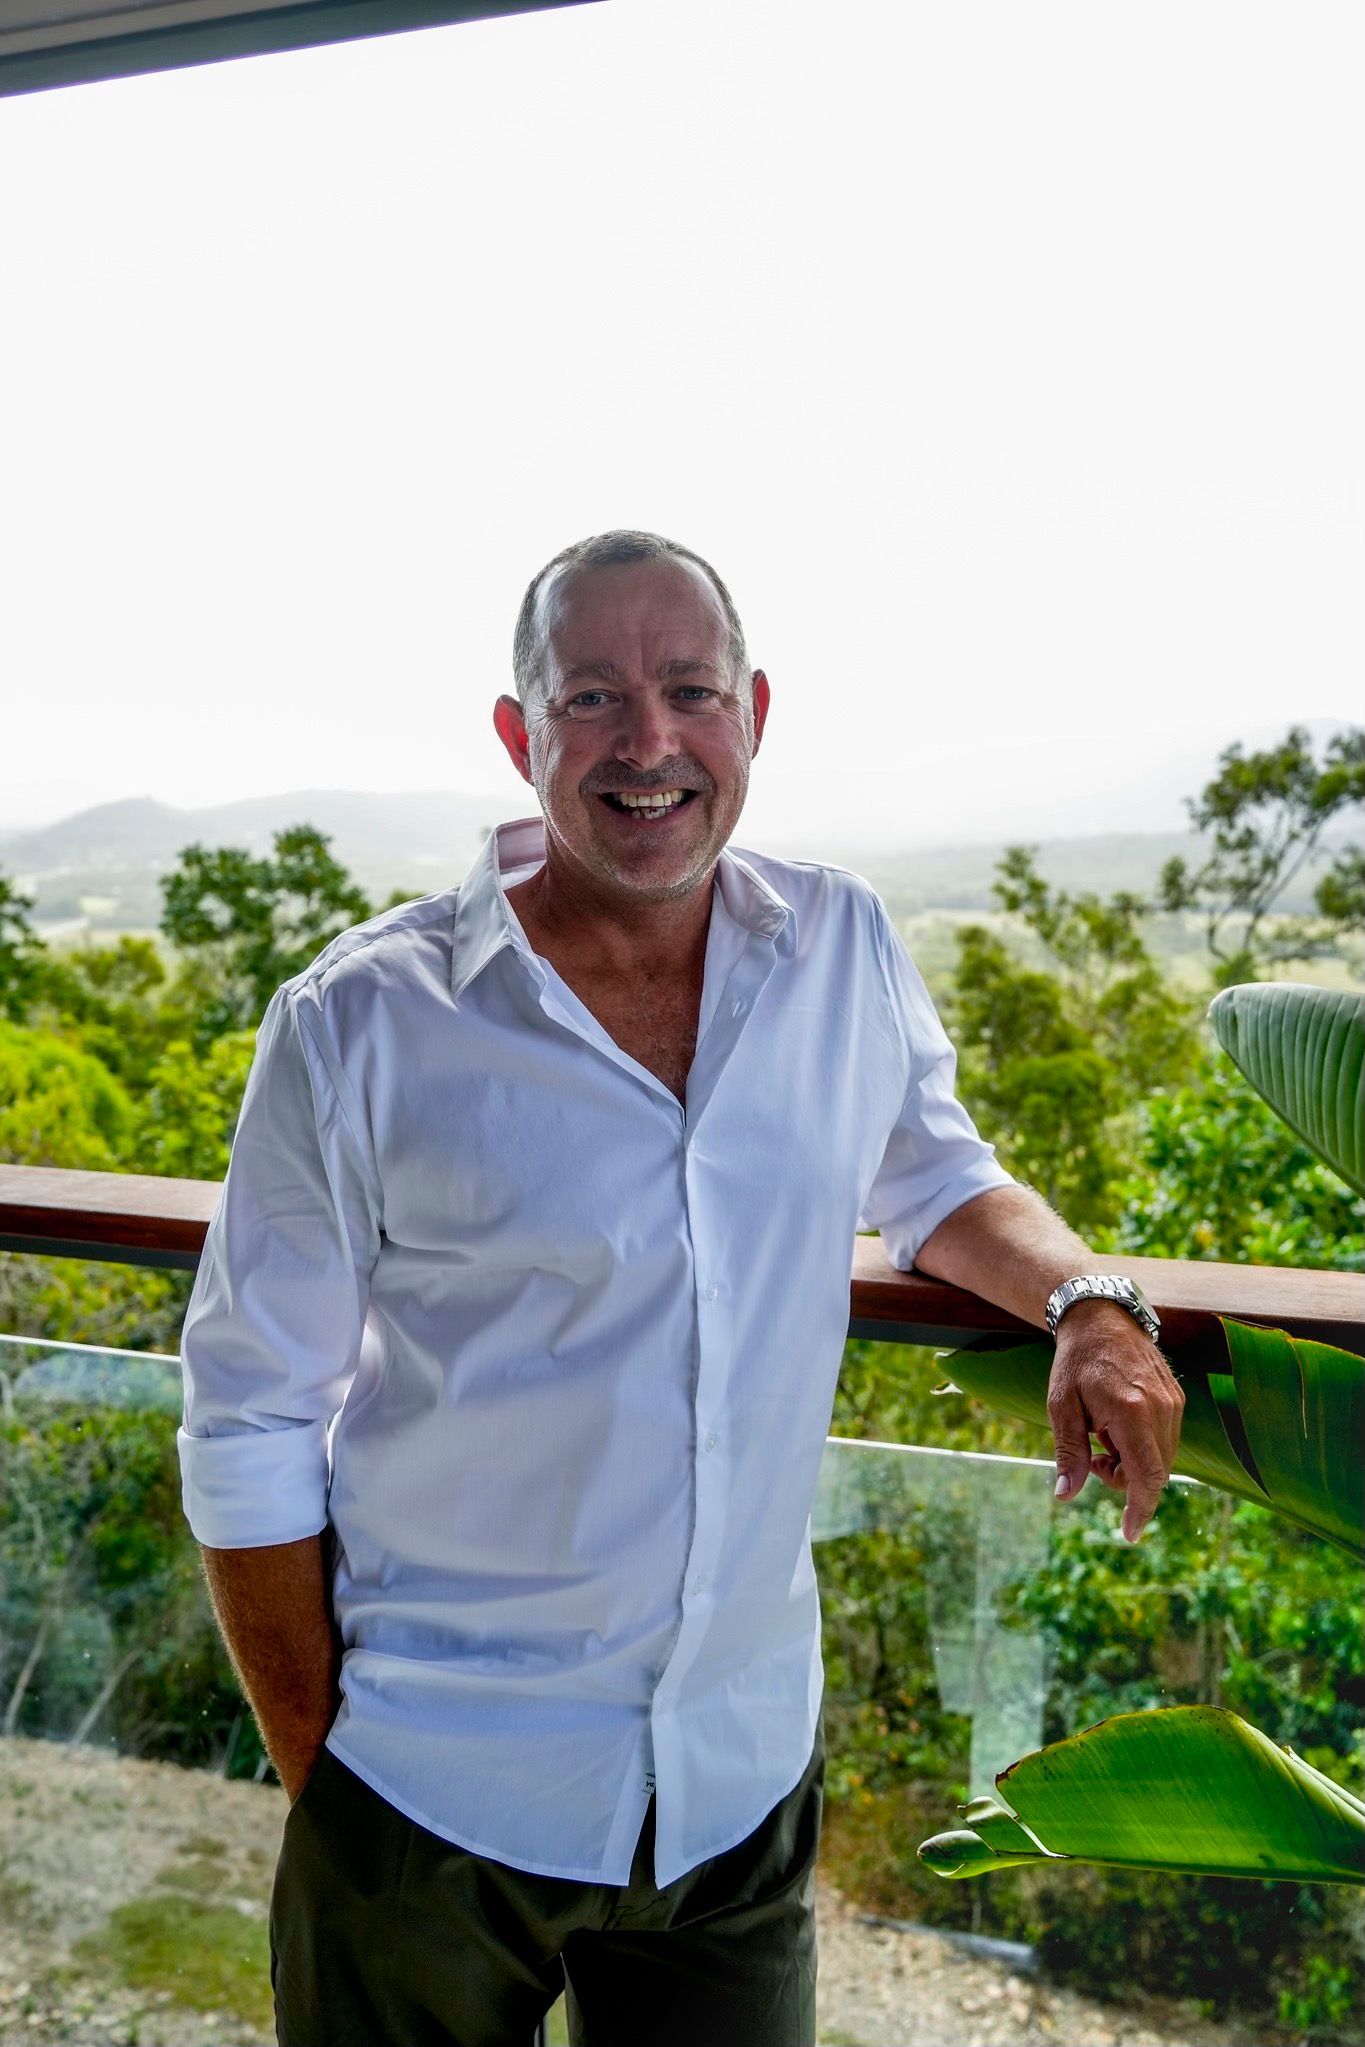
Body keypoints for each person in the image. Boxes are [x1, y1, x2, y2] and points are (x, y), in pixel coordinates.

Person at [177, 529, 1185, 2047]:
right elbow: (249, 1415)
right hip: (433, 1786)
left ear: (753, 716)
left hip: (734, 1792)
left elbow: (933, 1176)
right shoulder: (357, 1024)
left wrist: (1088, 1300)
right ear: (521, 737)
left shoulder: (835, 943)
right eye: (591, 698)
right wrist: (324, 1772)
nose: (647, 742)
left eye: (688, 690)